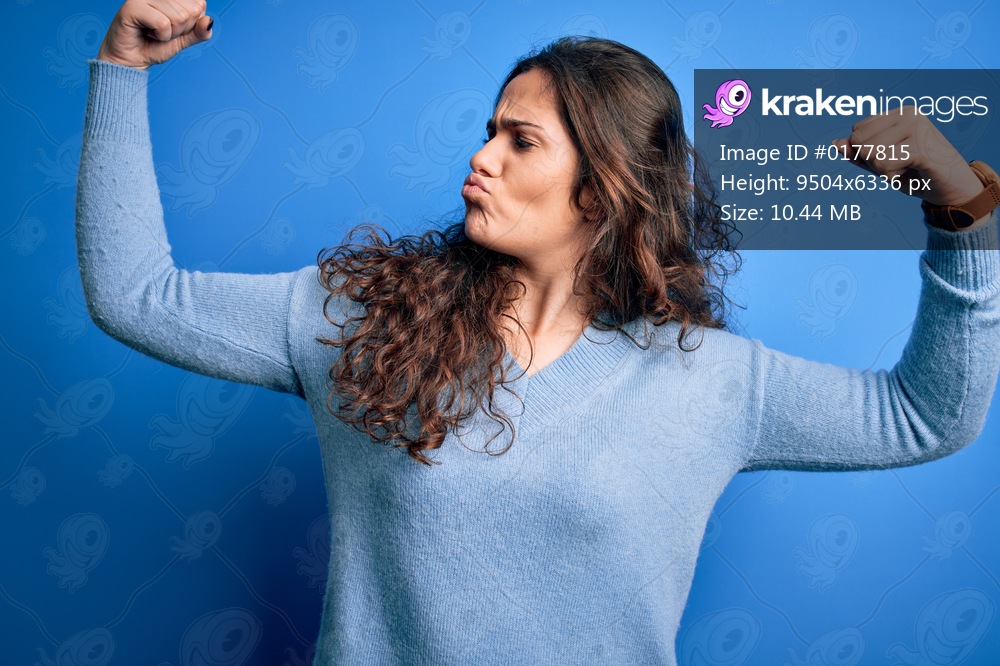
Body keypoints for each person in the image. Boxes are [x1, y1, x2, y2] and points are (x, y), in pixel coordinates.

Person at [80, 1, 1000, 664]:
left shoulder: (712, 382)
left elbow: (926, 416)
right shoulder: (363, 322)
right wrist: (121, 67)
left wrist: (962, 220)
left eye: (521, 142)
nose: (480, 157)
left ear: (599, 187)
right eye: (490, 131)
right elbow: (137, 294)